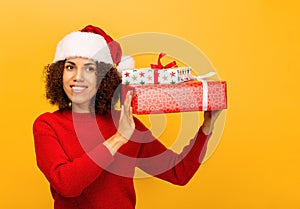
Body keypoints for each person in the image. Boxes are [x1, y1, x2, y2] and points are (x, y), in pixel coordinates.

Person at [33, 25, 222, 209]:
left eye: (89, 68)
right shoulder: (47, 125)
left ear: (103, 77)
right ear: (59, 74)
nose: (78, 77)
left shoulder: (126, 121)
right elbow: (67, 185)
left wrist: (207, 126)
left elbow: (178, 173)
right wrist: (119, 138)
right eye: (70, 67)